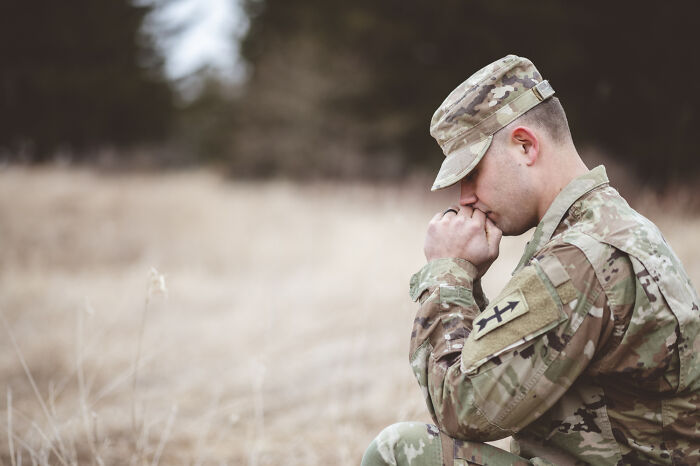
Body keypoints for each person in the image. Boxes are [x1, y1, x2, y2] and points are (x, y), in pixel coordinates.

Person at [361, 55, 700, 465]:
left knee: (398, 452)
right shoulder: (608, 227)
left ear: (524, 145)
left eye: (471, 173)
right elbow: (505, 376)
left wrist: (447, 275)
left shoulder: (583, 257)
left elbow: (463, 408)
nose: (464, 197)